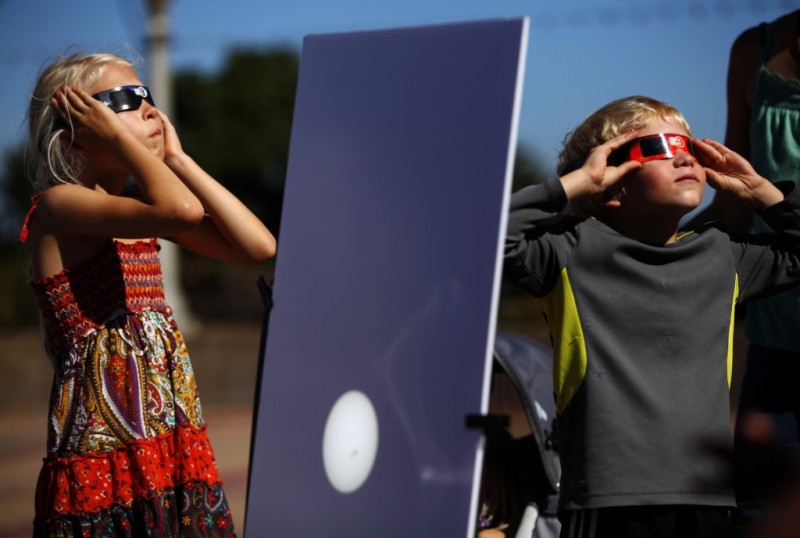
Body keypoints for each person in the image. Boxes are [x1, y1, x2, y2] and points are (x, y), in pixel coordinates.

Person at [503, 95, 800, 538]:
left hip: (709, 498)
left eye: (689, 148)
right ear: (609, 182)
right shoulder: (569, 250)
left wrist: (764, 193)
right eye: (659, 147)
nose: (683, 157)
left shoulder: (724, 254)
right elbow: (489, 233)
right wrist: (570, 184)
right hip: (608, 500)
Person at [19, 51, 276, 536]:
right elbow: (179, 209)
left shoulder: (139, 212)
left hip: (169, 448)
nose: (149, 109)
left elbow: (257, 245)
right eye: (123, 100)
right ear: (75, 126)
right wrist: (121, 136)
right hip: (107, 460)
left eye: (149, 97)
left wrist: (178, 158)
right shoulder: (59, 207)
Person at [692, 9, 800, 532]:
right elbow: (734, 208)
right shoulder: (751, 49)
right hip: (777, 338)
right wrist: (650, 240)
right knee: (758, 511)